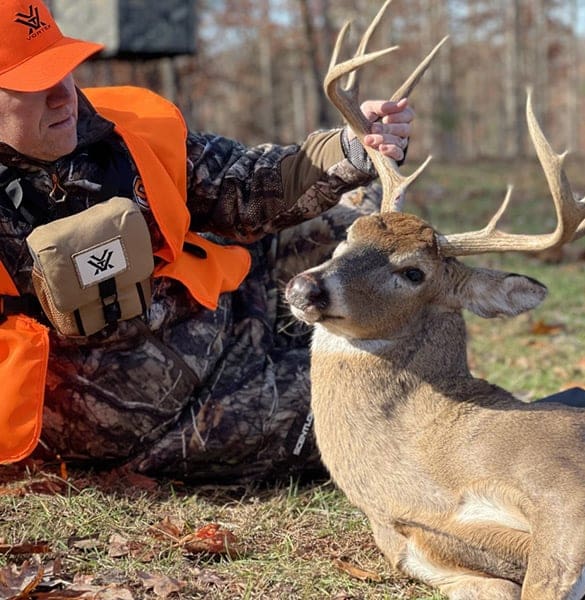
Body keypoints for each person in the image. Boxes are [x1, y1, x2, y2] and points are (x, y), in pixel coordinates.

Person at [0, 0, 415, 483]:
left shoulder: (125, 130)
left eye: (64, 69)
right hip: (177, 415)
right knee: (381, 398)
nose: (62, 95)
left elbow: (243, 183)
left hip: (234, 304)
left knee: (377, 245)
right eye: (33, 84)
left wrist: (351, 146)